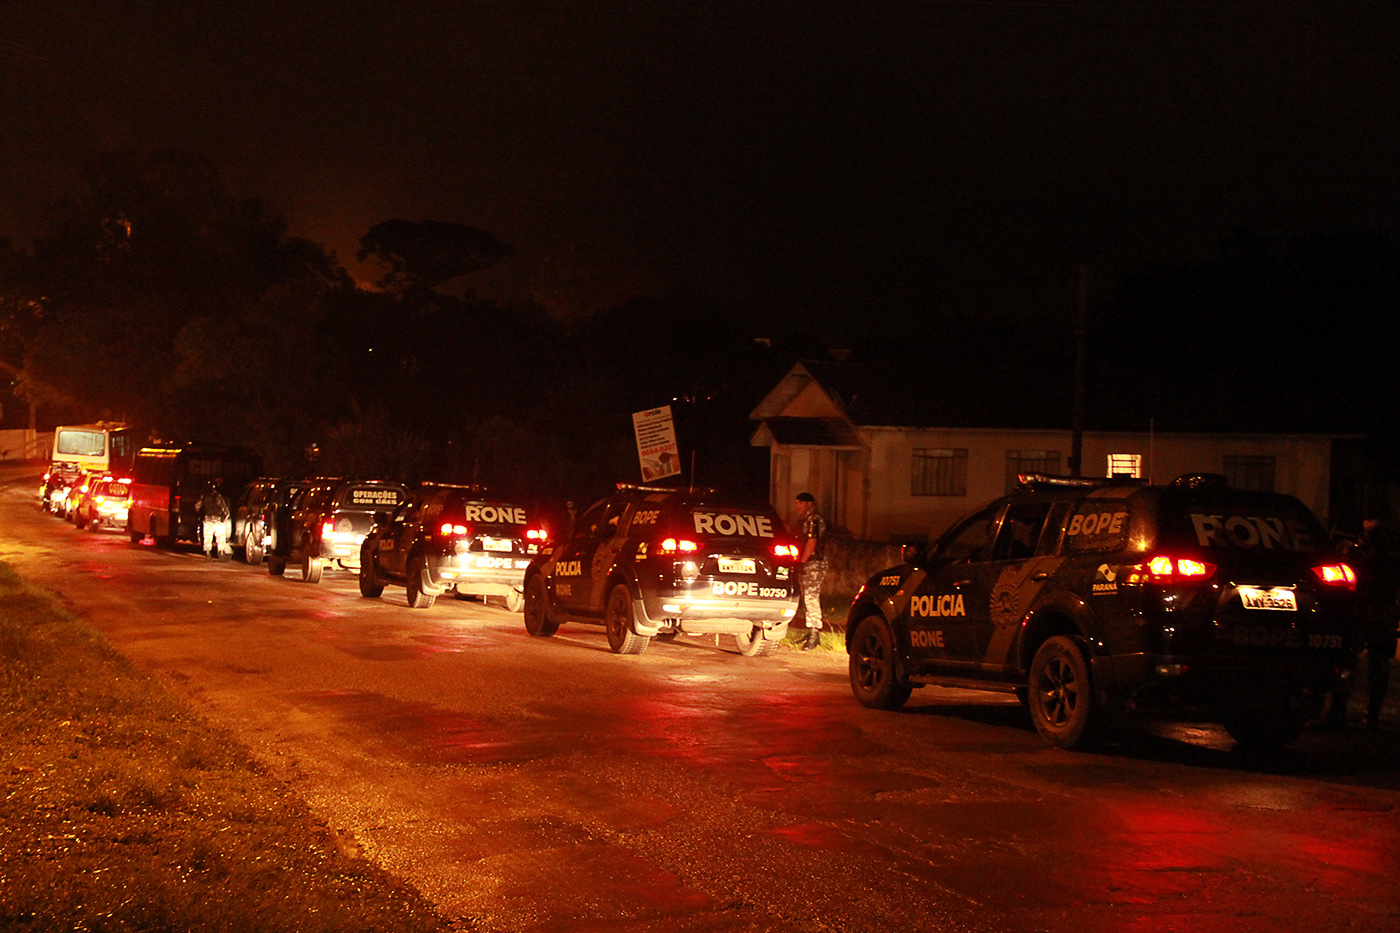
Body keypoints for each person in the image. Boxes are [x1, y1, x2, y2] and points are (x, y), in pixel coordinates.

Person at [1325, 505, 1400, 730]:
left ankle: (1338, 712)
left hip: (1362, 607)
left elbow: (1353, 569)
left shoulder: (1366, 545)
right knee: (1379, 664)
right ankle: (1371, 716)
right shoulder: (1393, 546)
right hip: (1384, 608)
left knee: (1348, 659)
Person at [793, 492, 828, 650]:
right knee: (807, 597)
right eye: (796, 503)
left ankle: (814, 633)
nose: (797, 506)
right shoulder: (805, 520)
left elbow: (812, 541)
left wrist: (802, 561)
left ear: (809, 504)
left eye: (800, 503)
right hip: (808, 562)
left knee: (811, 597)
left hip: (813, 562)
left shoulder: (814, 519)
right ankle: (811, 632)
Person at [197, 478, 232, 560]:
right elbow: (226, 510)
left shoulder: (204, 496)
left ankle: (208, 553)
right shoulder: (218, 497)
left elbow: (197, 507)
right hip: (217, 520)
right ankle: (220, 553)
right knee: (220, 538)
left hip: (208, 520)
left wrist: (202, 516)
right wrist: (223, 519)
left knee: (207, 538)